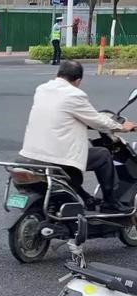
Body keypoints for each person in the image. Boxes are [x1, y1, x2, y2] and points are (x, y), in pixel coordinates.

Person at [20, 61, 137, 213]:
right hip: (54, 157)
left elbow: (63, 114)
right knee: (102, 155)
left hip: (29, 154)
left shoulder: (42, 89)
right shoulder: (74, 94)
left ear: (57, 75)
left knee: (72, 163)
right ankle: (110, 202)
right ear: (78, 80)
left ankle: (86, 198)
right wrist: (122, 126)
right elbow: (96, 120)